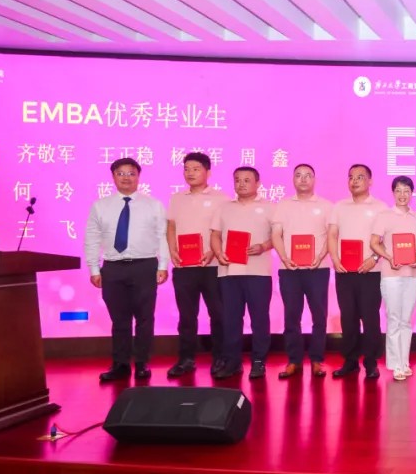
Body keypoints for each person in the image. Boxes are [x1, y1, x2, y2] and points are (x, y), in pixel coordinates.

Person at [84, 157, 169, 382]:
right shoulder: (100, 206)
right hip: (113, 268)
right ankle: (120, 364)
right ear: (113, 177)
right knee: (119, 320)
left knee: (144, 318)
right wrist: (94, 268)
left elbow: (162, 236)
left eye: (131, 173)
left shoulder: (153, 205)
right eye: (120, 173)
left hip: (145, 266)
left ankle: (142, 363)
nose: (126, 178)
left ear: (138, 177)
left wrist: (163, 265)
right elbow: (92, 238)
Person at [166, 151, 228, 378]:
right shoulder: (177, 198)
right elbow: (171, 226)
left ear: (208, 172)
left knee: (218, 315)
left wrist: (213, 251)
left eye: (195, 169)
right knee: (186, 316)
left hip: (213, 267)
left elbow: (225, 231)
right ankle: (186, 359)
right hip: (184, 267)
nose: (190, 173)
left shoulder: (221, 199)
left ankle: (220, 358)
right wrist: (172, 250)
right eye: (186, 169)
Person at [210, 167, 274, 380]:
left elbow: (278, 237)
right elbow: (215, 235)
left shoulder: (270, 208)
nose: (241, 184)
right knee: (230, 319)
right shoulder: (224, 208)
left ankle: (259, 361)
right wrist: (218, 253)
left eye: (247, 180)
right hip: (229, 271)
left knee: (259, 319)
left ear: (258, 183)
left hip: (258, 272)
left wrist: (263, 246)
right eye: (237, 180)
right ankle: (232, 362)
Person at [271, 164, 333, 379]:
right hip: (290, 269)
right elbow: (276, 234)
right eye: (298, 175)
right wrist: (284, 258)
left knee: (319, 316)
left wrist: (320, 256)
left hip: (318, 269)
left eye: (308, 175)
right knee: (291, 316)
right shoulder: (283, 205)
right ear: (293, 179)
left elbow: (331, 236)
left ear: (314, 179)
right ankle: (293, 360)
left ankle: (317, 360)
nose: (303, 179)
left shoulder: (326, 206)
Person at [327, 164, 385, 380]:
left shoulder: (380, 208)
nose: (354, 181)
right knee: (348, 318)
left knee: (370, 318)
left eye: (360, 177)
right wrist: (335, 259)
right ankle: (350, 361)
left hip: (371, 271)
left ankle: (371, 363)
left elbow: (386, 239)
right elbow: (332, 235)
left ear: (370, 181)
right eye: (351, 177)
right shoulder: (339, 207)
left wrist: (374, 258)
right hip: (344, 271)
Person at [370, 176, 416, 381]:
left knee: (406, 320)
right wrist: (389, 257)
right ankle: (395, 365)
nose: (403, 195)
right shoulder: (384, 216)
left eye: (406, 191)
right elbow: (374, 242)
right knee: (394, 318)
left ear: (412, 193)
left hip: (412, 274)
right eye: (399, 191)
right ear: (393, 193)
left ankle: (404, 361)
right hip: (391, 275)